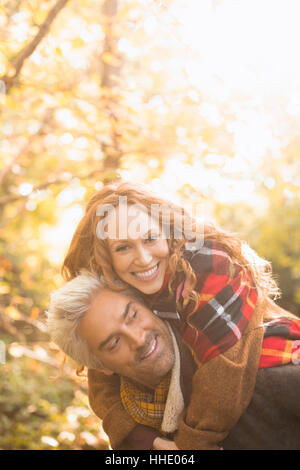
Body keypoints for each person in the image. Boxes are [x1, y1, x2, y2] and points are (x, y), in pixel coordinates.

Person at [60, 179, 297, 449]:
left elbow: (224, 372)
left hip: (278, 365)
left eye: (149, 238)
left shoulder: (209, 262)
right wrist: (140, 440)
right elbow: (101, 372)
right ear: (106, 257)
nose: (143, 258)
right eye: (123, 247)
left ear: (167, 231)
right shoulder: (119, 287)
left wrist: (188, 447)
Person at [46, 271, 300, 450]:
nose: (137, 338)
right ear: (101, 368)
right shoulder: (135, 427)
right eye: (114, 343)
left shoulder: (265, 370)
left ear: (148, 304)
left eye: (132, 315)